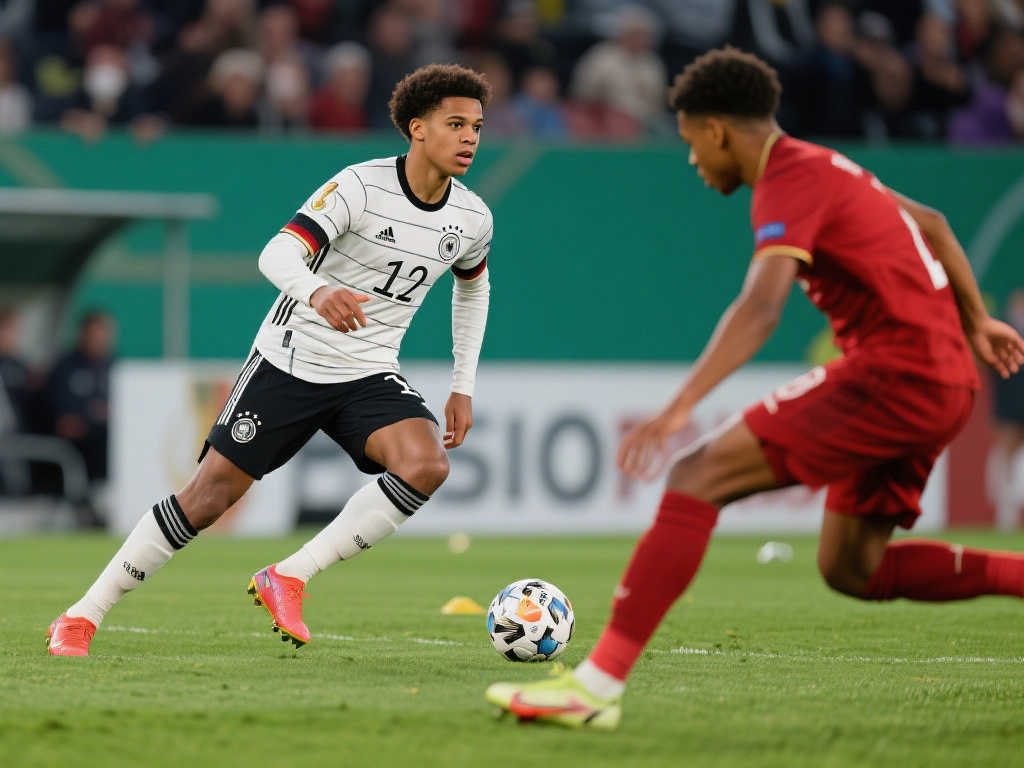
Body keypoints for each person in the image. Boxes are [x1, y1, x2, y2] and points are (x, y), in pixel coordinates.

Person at [486, 46, 1024, 730]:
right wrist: (977, 322)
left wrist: (679, 406)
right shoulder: (828, 166)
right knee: (852, 569)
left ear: (717, 130)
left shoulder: (788, 178)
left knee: (696, 474)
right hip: (946, 380)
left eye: (691, 143)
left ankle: (594, 688)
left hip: (897, 372)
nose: (692, 160)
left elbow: (762, 306)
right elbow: (935, 225)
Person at [47, 63, 495, 656]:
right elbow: (277, 253)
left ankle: (290, 576)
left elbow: (473, 290)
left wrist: (463, 383)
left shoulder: (472, 218)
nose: (469, 138)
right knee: (206, 499)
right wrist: (318, 291)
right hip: (290, 360)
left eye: (477, 127)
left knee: (426, 464)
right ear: (417, 128)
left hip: (368, 370)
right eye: (455, 124)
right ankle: (82, 615)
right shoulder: (360, 187)